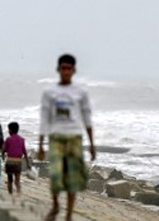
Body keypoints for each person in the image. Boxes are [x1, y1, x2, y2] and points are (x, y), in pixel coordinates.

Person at [37, 53, 96, 221]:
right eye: (63, 68)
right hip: (56, 137)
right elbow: (44, 117)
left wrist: (92, 144)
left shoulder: (80, 92)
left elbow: (87, 117)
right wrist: (41, 145)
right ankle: (55, 204)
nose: (66, 72)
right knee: (55, 174)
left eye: (69, 68)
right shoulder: (50, 92)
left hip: (74, 137)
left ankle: (69, 214)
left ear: (74, 70)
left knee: (73, 178)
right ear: (58, 69)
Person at [3, 121, 29, 195]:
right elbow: (25, 152)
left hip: (10, 161)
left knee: (10, 179)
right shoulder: (21, 139)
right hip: (18, 162)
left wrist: (2, 156)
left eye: (8, 129)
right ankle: (18, 192)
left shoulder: (8, 139)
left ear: (10, 130)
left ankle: (10, 193)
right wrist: (28, 163)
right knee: (17, 179)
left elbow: (3, 150)